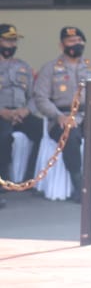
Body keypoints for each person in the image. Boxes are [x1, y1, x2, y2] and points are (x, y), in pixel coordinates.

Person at [31, 26, 91, 203]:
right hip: (62, 117)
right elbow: (40, 98)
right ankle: (79, 187)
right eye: (71, 41)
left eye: (78, 41)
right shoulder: (50, 68)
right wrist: (58, 115)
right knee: (71, 138)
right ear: (61, 45)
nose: (76, 44)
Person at [0, 23, 42, 203]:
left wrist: (26, 110)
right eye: (7, 41)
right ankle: (3, 180)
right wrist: (3, 112)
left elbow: (35, 96)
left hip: (20, 113)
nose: (11, 45)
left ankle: (29, 177)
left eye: (14, 41)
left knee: (43, 131)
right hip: (1, 113)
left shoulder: (24, 67)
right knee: (3, 136)